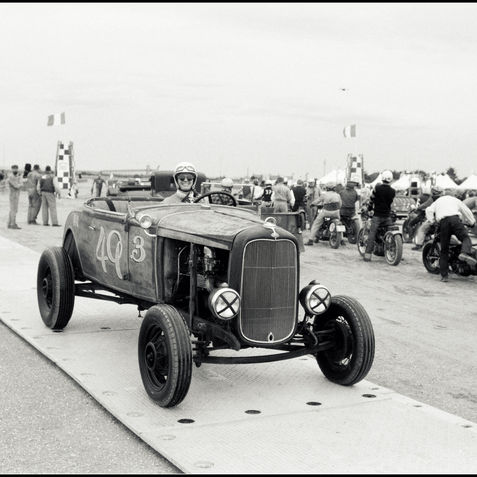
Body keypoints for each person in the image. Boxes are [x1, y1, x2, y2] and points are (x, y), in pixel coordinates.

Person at [425, 193, 476, 282]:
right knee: (465, 238)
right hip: (455, 221)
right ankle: (464, 253)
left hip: (443, 223)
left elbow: (428, 210)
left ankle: (444, 276)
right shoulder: (455, 200)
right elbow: (466, 210)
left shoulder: (438, 201)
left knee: (444, 250)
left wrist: (432, 221)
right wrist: (472, 222)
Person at [363, 170, 396, 261]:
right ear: (391, 179)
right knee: (391, 235)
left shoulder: (377, 188)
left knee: (372, 235)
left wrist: (369, 208)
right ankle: (394, 252)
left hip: (377, 215)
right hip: (387, 216)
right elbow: (390, 202)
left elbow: (372, 199)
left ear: (382, 178)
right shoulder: (393, 191)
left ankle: (367, 255)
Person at [411, 185, 445, 250]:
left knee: (422, 229)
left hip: (436, 218)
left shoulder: (433, 198)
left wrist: (417, 208)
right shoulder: (445, 198)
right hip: (446, 217)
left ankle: (419, 245)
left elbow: (425, 205)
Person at [7, 164, 23, 229]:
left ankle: (10, 223)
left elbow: (20, 184)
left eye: (16, 168)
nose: (15, 170)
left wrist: (20, 182)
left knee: (13, 210)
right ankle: (12, 224)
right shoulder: (11, 177)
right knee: (13, 210)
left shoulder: (16, 176)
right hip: (13, 195)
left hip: (16, 194)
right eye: (14, 168)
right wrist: (20, 184)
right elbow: (16, 186)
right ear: (12, 169)